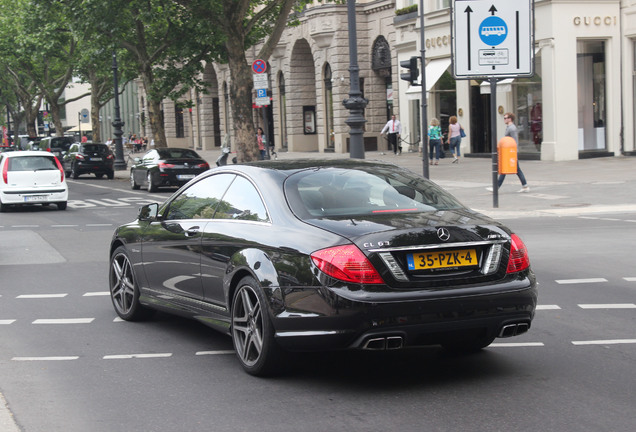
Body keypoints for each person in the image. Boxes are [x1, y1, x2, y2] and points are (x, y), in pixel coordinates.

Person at [489, 112, 530, 193]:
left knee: (505, 169)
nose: (504, 119)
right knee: (516, 170)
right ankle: (525, 186)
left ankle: (496, 187)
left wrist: (512, 152)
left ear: (510, 119)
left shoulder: (512, 128)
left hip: (510, 152)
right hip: (509, 152)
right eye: (504, 118)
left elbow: (514, 141)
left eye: (505, 118)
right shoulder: (509, 127)